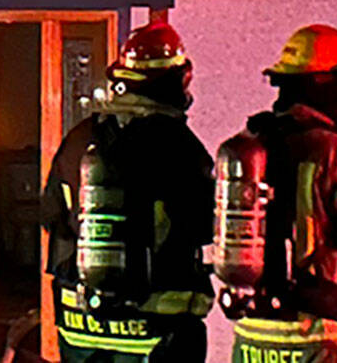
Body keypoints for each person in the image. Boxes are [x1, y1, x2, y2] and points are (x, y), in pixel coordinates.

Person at [215, 24, 337, 363]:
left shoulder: (251, 145)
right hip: (316, 333)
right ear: (327, 85)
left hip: (253, 332)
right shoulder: (336, 153)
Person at [41, 21, 214, 362]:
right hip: (156, 327)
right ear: (175, 80)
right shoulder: (180, 147)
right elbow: (205, 226)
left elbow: (50, 214)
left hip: (80, 324)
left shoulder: (78, 138)